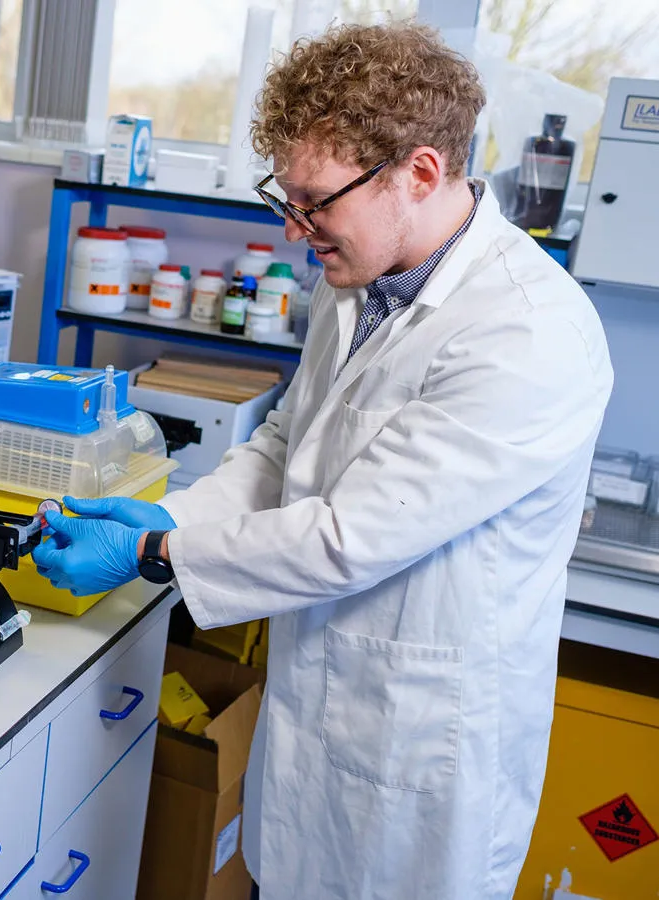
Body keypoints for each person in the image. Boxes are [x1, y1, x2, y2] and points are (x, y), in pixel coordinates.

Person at [32, 22, 613, 900]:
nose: (295, 228)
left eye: (315, 202)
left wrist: (154, 554)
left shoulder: (528, 331)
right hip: (318, 704)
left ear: (420, 173)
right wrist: (176, 517)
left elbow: (351, 537)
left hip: (423, 743)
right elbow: (285, 444)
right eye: (287, 197)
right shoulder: (358, 279)